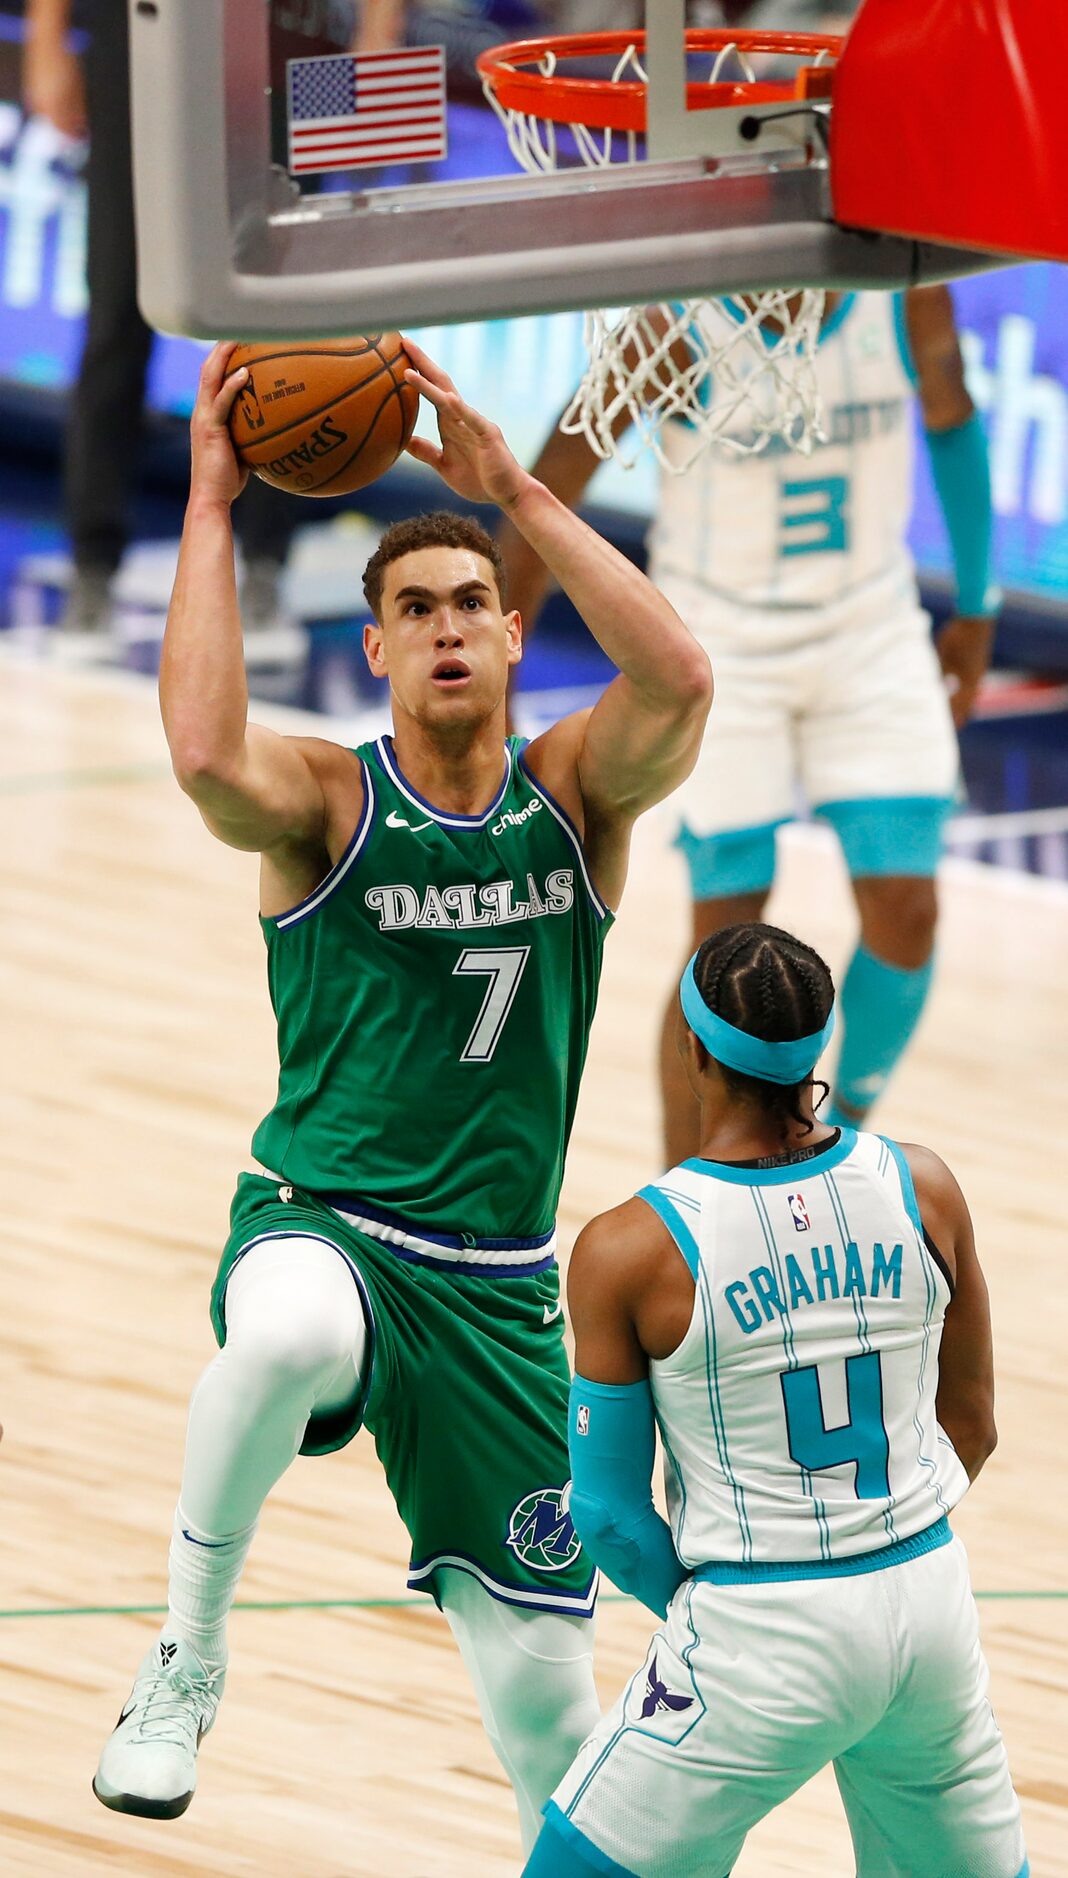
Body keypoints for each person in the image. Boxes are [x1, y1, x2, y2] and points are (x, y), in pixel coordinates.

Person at [90, 338, 712, 1845]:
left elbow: (682, 675)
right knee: (286, 1331)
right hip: (331, 1225)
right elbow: (196, 747)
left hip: (499, 1292)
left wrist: (512, 490)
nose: (446, 630)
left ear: (510, 637)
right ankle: (186, 1651)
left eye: (470, 607)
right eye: (414, 611)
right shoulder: (324, 803)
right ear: (375, 649)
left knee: (554, 1728)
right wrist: (208, 502)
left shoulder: (572, 796)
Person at [522, 921, 1027, 1878]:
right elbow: (973, 1427)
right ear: (818, 1051)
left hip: (760, 1620)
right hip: (929, 1605)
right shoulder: (924, 1187)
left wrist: (727, 1615)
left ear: (692, 1047)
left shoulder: (635, 1247)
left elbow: (609, 1515)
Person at [501, 287, 998, 1163]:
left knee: (907, 911)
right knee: (725, 939)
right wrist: (506, 643)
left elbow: (953, 417)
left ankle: (841, 1141)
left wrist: (979, 603)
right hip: (717, 637)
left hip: (868, 626)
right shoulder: (670, 325)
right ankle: (681, 1197)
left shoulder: (906, 292)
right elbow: (547, 485)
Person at [23, 0, 304, 660]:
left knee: (281, 313)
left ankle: (264, 571)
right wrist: (47, 37)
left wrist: (377, 26)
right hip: (144, 27)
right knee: (119, 302)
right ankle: (93, 571)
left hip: (284, 27)